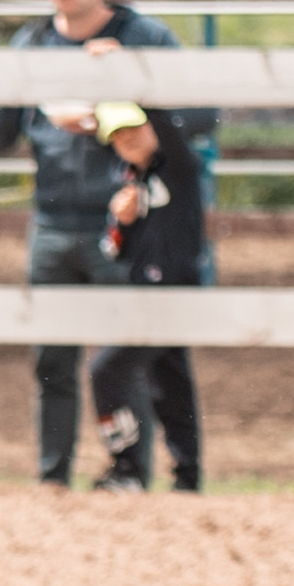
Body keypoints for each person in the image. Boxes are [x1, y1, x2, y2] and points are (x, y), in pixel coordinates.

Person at [0, 0, 212, 489]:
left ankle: (135, 472)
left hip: (127, 224)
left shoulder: (145, 37)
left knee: (137, 360)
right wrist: (27, 88)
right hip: (53, 221)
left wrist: (125, 88)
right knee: (53, 362)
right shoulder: (31, 43)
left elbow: (200, 115)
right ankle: (52, 477)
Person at [87, 100, 204, 494]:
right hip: (147, 295)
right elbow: (113, 249)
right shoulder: (128, 182)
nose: (128, 141)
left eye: (134, 130)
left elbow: (162, 118)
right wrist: (122, 223)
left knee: (106, 370)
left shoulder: (180, 169)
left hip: (173, 295)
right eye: (118, 136)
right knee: (171, 385)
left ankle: (128, 467)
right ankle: (186, 476)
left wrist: (126, 71)